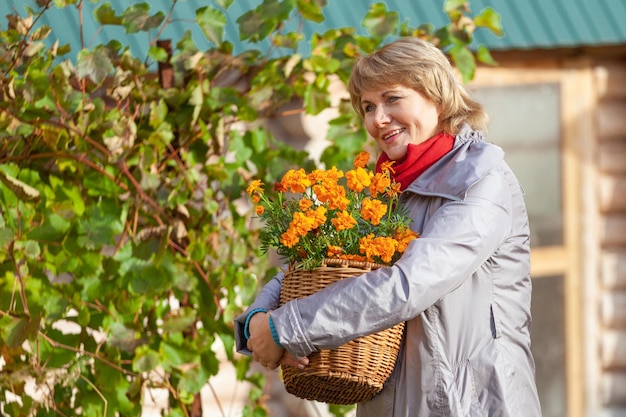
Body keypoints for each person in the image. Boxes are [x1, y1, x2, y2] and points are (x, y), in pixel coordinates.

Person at [235, 37, 542, 417]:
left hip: (471, 405)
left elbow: (408, 285)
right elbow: (322, 265)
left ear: (438, 96)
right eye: (368, 106)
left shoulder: (480, 181)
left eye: (392, 99)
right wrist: (258, 319)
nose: (377, 119)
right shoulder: (383, 190)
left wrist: (288, 329)